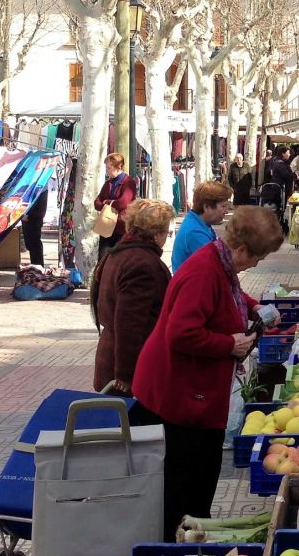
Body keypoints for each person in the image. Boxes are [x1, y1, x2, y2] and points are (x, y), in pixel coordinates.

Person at [131, 205, 285, 536]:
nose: (257, 264)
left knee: (198, 480)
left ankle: (187, 548)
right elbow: (181, 333)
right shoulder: (204, 271)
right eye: (257, 257)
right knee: (186, 489)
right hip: (177, 399)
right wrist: (228, 344)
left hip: (190, 394)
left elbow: (228, 292)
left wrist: (253, 305)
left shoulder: (219, 261)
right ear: (242, 249)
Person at [92, 199, 175, 394]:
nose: (168, 236)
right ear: (156, 233)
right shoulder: (142, 263)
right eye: (166, 231)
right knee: (132, 423)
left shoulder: (119, 253)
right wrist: (125, 375)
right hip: (129, 368)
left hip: (114, 357)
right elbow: (129, 324)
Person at [172, 181, 233, 272]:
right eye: (223, 206)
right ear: (207, 207)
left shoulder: (199, 223)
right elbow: (217, 267)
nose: (226, 211)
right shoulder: (195, 232)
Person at [94, 153, 138, 259]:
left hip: (121, 228)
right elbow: (96, 203)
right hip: (106, 227)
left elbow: (123, 202)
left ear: (118, 166)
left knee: (119, 260)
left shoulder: (129, 183)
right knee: (102, 260)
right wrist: (112, 203)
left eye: (109, 167)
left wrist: (106, 202)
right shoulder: (108, 183)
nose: (107, 170)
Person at [22, 186, 49, 267]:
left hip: (32, 215)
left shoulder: (39, 184)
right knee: (32, 242)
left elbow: (33, 198)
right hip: (34, 214)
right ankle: (36, 265)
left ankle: (37, 266)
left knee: (33, 242)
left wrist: (26, 214)